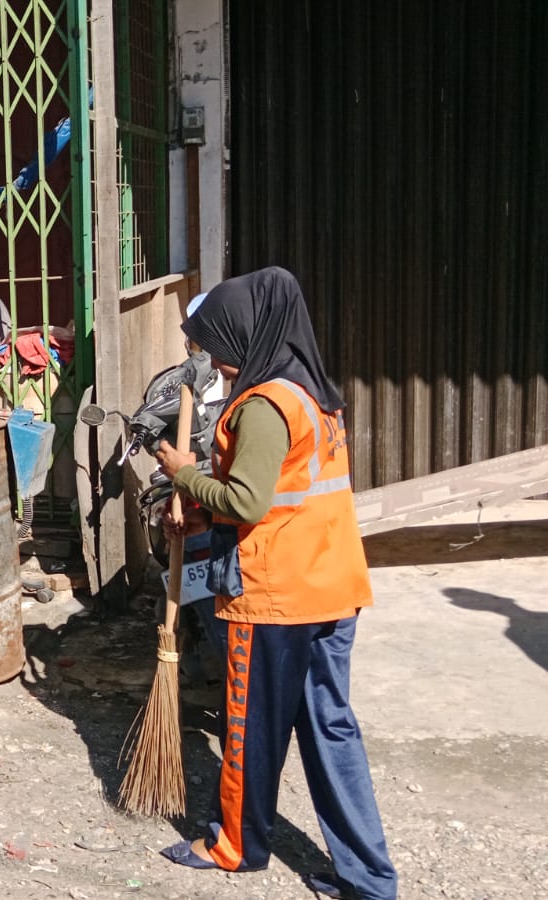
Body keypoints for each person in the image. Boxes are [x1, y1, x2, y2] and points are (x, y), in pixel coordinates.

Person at [154, 267, 397, 900]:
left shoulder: (262, 405)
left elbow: (249, 500)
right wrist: (200, 504)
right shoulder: (312, 393)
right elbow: (291, 494)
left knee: (249, 725)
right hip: (331, 586)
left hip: (276, 597)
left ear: (249, 333)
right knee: (331, 731)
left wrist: (184, 475)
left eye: (221, 347)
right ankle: (368, 879)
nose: (218, 365)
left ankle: (234, 844)